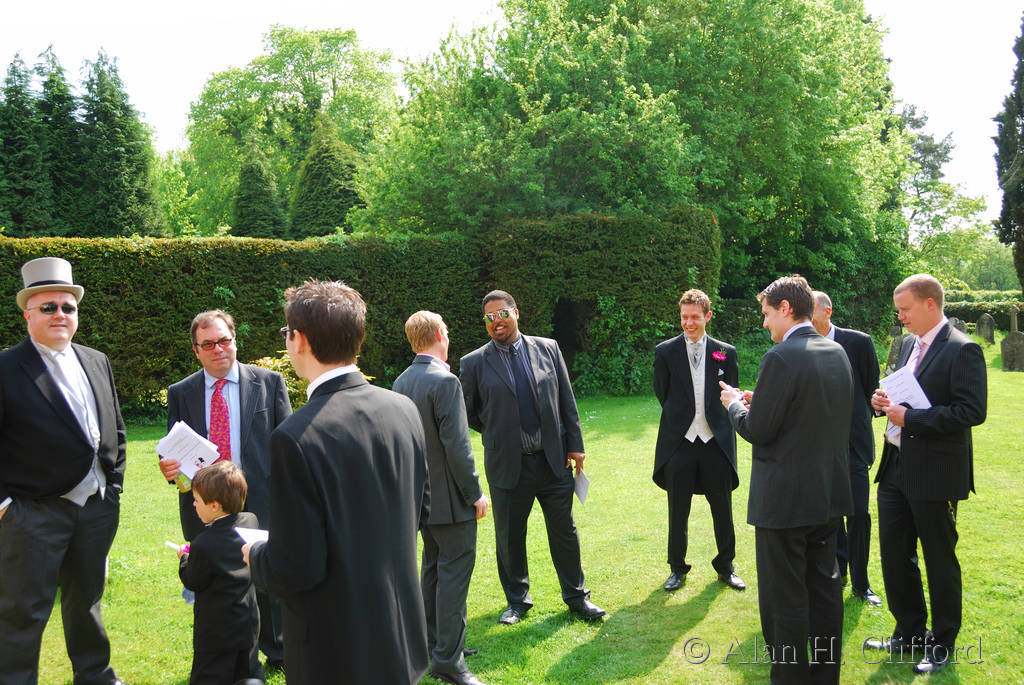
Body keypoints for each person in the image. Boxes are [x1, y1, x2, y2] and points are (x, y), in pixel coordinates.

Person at [244, 279, 429, 684]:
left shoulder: (294, 437)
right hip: (400, 636)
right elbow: (420, 510)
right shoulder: (403, 409)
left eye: (286, 333)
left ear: (299, 340)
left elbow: (295, 567)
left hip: (335, 650)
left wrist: (254, 555)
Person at [0, 257, 128, 685]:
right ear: (28, 315)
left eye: (67, 307)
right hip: (32, 515)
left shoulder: (96, 360)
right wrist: (6, 507)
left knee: (87, 601)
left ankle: (95, 676)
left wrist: (114, 486)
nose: (60, 314)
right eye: (48, 307)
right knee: (22, 612)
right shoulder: (5, 368)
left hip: (96, 508)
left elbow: (115, 428)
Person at [720, 275, 853, 685]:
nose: (764, 324)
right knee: (826, 592)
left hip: (785, 503)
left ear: (785, 308)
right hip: (827, 496)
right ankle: (825, 675)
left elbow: (758, 430)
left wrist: (734, 405)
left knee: (785, 598)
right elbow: (812, 412)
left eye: (766, 314)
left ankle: (791, 677)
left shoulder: (779, 357)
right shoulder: (836, 351)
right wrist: (760, 401)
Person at [865, 274, 986, 675]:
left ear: (930, 304)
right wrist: (883, 402)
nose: (899, 317)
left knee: (938, 558)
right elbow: (903, 394)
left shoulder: (963, 349)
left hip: (935, 471)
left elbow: (972, 411)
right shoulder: (905, 345)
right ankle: (909, 633)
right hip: (895, 466)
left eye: (905, 309)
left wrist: (911, 419)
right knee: (895, 554)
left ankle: (942, 643)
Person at [460, 290, 605, 625]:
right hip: (508, 465)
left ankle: (577, 597)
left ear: (516, 313)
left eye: (502, 314)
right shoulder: (474, 363)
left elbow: (566, 400)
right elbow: (469, 413)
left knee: (564, 531)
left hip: (553, 460)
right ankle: (517, 601)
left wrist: (575, 444)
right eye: (489, 318)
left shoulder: (548, 348)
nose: (496, 322)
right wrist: (498, 432)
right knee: (510, 536)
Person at [158, 309, 290, 670]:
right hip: (206, 507)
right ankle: (220, 656)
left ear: (235, 341)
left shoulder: (269, 382)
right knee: (213, 582)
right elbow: (172, 451)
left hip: (259, 500)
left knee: (265, 577)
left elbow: (287, 443)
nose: (218, 349)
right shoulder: (181, 393)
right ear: (196, 351)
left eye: (224, 340)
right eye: (208, 344)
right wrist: (170, 470)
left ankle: (277, 651)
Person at [393, 311, 490, 685]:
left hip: (419, 498)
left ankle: (438, 645)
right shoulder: (446, 381)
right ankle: (448, 661)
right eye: (446, 331)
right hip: (450, 500)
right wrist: (475, 493)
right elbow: (458, 447)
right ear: (438, 334)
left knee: (432, 570)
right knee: (453, 577)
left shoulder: (401, 381)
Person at [653, 289, 744, 592]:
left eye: (694, 317)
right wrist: (684, 420)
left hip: (715, 441)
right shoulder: (665, 352)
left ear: (707, 316)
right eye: (684, 317)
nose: (689, 323)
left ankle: (726, 566)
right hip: (680, 442)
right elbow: (662, 393)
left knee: (722, 509)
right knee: (677, 510)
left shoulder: (726, 352)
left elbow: (731, 393)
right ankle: (677, 568)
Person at [810, 291, 882, 606]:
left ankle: (862, 583)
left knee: (859, 514)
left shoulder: (859, 343)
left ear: (827, 311)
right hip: (818, 447)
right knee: (830, 514)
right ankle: (838, 572)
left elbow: (871, 389)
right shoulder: (803, 346)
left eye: (811, 311)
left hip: (853, 446)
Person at [176, 461, 263, 685]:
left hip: (215, 630)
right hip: (247, 619)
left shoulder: (203, 544)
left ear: (214, 506)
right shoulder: (251, 521)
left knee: (210, 674)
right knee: (247, 669)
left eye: (197, 500)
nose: (194, 505)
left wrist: (185, 559)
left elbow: (194, 580)